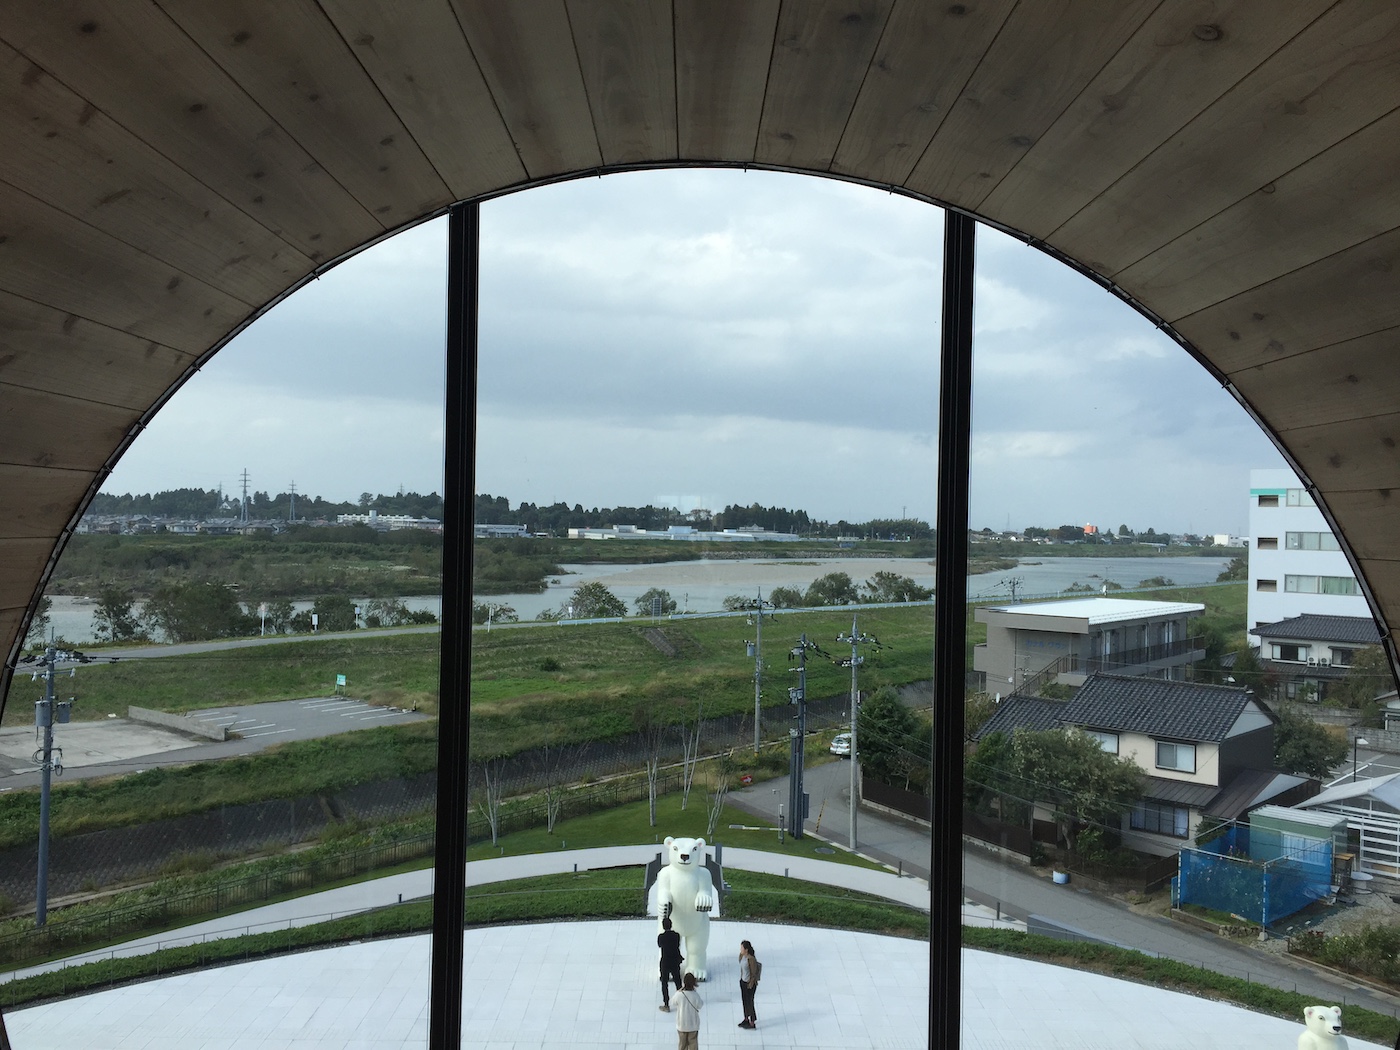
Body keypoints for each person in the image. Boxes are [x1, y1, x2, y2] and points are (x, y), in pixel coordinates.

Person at [658, 916, 684, 1011]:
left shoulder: (661, 937)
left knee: (664, 983)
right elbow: (677, 945)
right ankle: (681, 1002)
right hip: (674, 961)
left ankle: (666, 1004)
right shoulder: (676, 936)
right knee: (678, 982)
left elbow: (659, 945)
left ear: (663, 926)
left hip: (665, 961)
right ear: (671, 925)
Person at [675, 972, 703, 1050]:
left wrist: (680, 990)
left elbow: (673, 1002)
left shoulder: (679, 994)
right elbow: (700, 1005)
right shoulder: (695, 995)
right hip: (693, 1025)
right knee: (693, 1044)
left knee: (682, 1045)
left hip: (681, 1025)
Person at [737, 940, 761, 1029]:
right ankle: (746, 1018)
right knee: (745, 1001)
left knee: (750, 1002)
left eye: (742, 948)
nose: (740, 949)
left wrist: (750, 984)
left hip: (750, 984)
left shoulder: (751, 959)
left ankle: (752, 1021)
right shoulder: (742, 956)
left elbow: (753, 974)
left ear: (746, 949)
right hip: (743, 982)